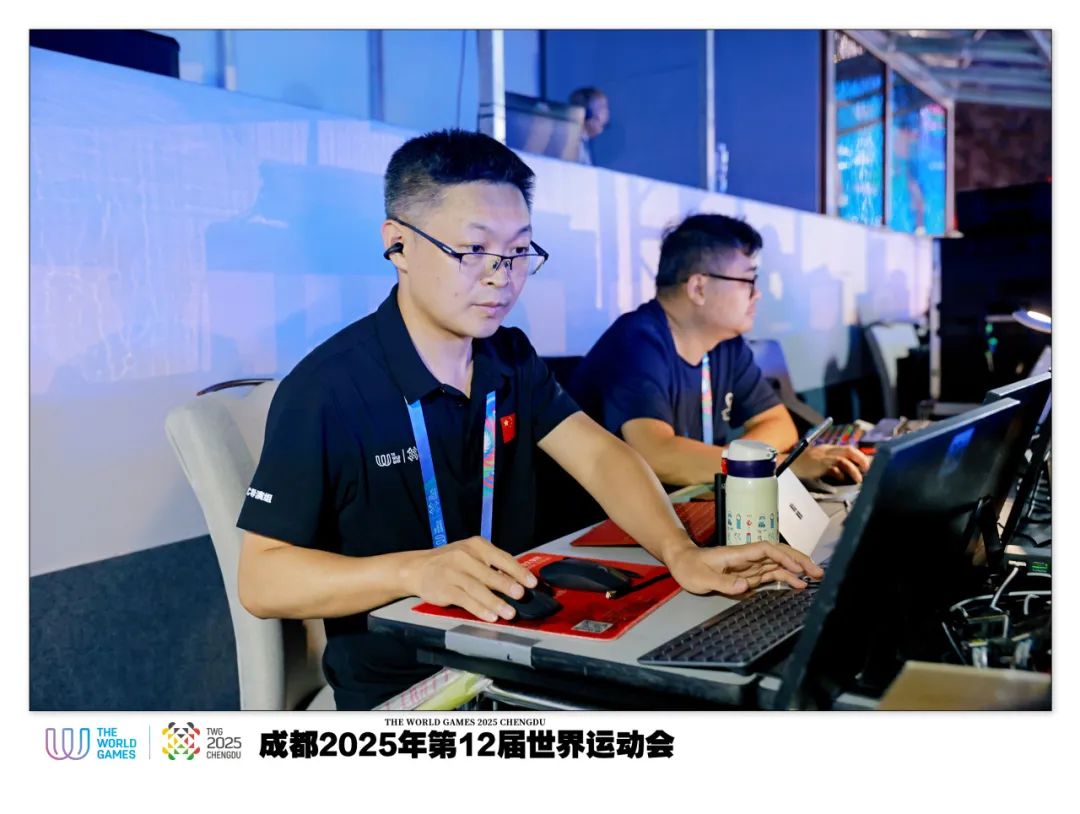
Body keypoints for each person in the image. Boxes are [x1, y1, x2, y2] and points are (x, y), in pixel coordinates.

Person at [236, 131, 821, 710]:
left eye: (518, 252)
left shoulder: (509, 358)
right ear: (399, 245)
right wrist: (413, 572)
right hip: (411, 688)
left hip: (518, 654)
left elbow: (601, 456)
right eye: (473, 250)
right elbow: (261, 580)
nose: (501, 275)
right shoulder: (328, 389)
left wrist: (679, 552)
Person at [569, 213, 871, 488]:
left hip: (677, 506)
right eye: (748, 281)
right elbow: (657, 455)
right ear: (698, 288)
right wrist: (775, 464)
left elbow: (779, 425)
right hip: (595, 523)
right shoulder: (636, 342)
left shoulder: (724, 343)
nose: (757, 294)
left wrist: (728, 463)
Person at [568, 87, 610, 166]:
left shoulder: (584, 145)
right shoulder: (571, 146)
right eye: (601, 107)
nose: (607, 114)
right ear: (587, 113)